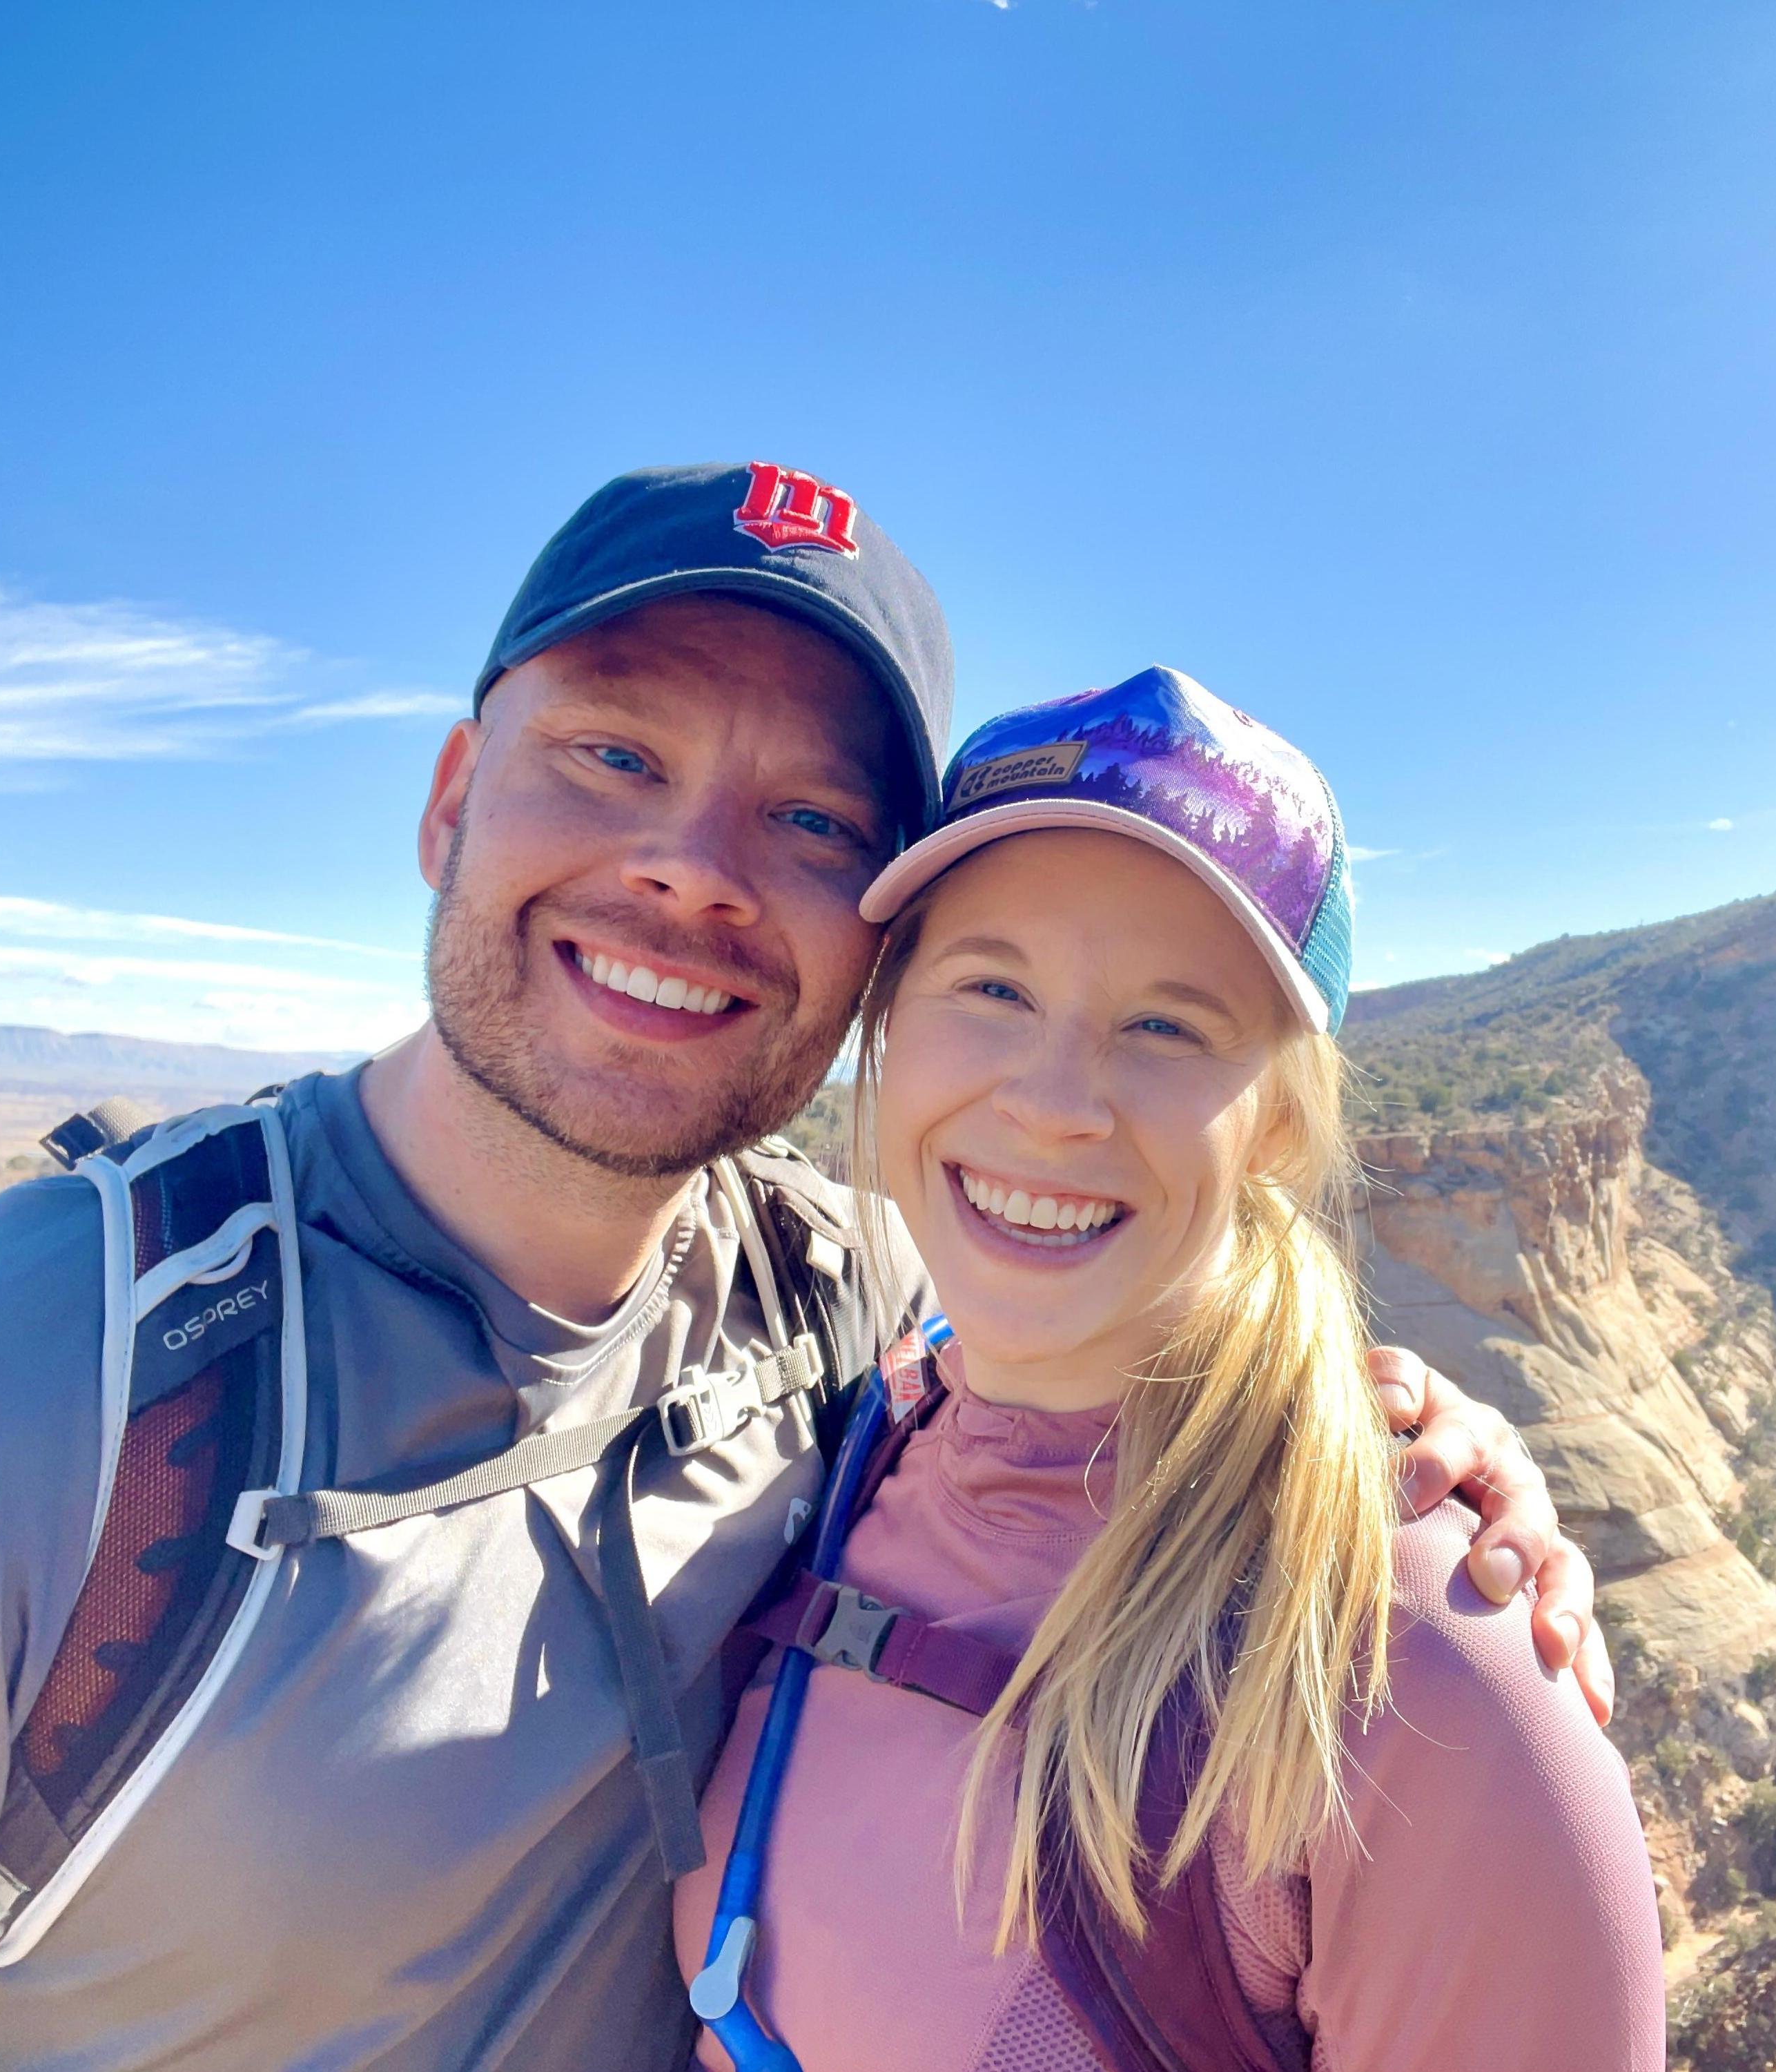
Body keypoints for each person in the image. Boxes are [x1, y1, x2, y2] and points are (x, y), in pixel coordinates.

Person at [0, 467, 1606, 2072]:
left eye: (809, 821)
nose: (695, 873)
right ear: (453, 797)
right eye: (615, 752)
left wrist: (1419, 1445)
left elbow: (1117, 1319)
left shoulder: (844, 1309)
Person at [676, 668, 1663, 2072]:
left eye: (1167, 1025)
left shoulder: (1417, 1684)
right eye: (991, 985)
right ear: (886, 1041)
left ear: (1271, 1127)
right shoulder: (855, 1438)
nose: (1051, 1100)